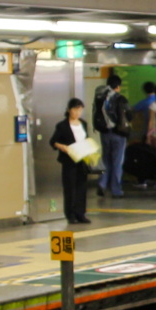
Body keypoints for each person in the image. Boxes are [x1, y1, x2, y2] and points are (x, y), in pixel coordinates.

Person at [50, 96, 94, 225]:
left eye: (80, 110)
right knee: (70, 187)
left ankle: (81, 213)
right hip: (69, 160)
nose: (78, 113)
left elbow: (87, 139)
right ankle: (70, 214)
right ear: (69, 110)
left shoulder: (84, 124)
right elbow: (53, 141)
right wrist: (63, 147)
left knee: (81, 186)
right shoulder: (62, 126)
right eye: (76, 110)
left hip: (82, 158)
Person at [92, 70, 130, 200]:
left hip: (104, 133)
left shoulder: (100, 96)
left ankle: (102, 184)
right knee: (117, 162)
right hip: (118, 134)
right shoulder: (120, 98)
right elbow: (129, 115)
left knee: (106, 160)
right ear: (118, 86)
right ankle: (116, 190)